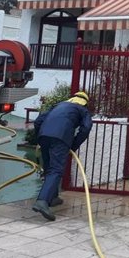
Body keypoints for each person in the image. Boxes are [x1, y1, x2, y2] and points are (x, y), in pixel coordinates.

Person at [32, 90, 93, 221]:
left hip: (44, 135)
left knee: (49, 169)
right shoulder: (83, 110)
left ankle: (52, 197)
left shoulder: (58, 105)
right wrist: (73, 145)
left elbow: (38, 121)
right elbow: (86, 128)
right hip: (60, 138)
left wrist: (39, 138)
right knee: (56, 169)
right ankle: (42, 201)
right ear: (85, 103)